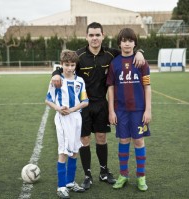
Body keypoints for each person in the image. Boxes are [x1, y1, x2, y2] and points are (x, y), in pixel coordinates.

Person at [52, 22, 145, 190]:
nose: (94, 38)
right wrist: (54, 75)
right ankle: (88, 175)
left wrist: (140, 52)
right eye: (91, 35)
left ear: (103, 36)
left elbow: (128, 51)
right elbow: (65, 65)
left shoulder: (111, 53)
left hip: (102, 103)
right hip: (83, 105)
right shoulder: (78, 55)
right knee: (84, 139)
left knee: (101, 137)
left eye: (97, 35)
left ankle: (104, 171)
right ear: (86, 37)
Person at [106, 28, 151, 191]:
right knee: (123, 140)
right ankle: (123, 174)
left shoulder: (141, 62)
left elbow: (147, 87)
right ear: (119, 43)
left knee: (139, 140)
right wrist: (111, 111)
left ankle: (141, 176)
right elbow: (110, 87)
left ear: (135, 43)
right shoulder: (114, 63)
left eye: (130, 41)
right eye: (124, 40)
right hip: (121, 110)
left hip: (139, 109)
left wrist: (148, 110)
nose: (127, 43)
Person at [45, 50, 89, 198]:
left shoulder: (80, 81)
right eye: (66, 65)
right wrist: (58, 108)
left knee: (75, 150)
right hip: (63, 119)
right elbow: (48, 99)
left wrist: (72, 110)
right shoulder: (56, 80)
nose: (69, 68)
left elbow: (85, 102)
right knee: (63, 151)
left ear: (75, 65)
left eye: (72, 65)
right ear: (61, 64)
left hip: (76, 118)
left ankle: (70, 182)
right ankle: (61, 186)